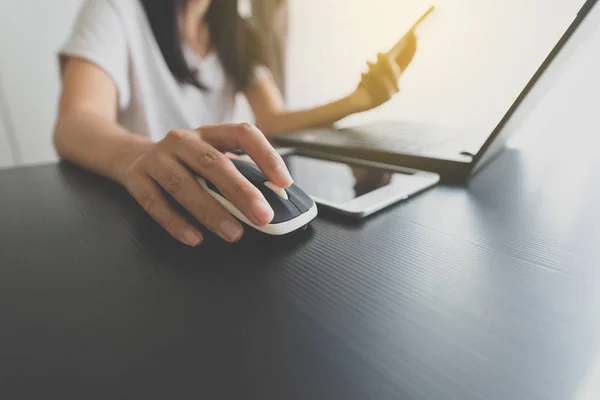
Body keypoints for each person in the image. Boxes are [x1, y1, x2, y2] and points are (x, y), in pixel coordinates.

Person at [53, 0, 417, 246]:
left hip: (222, 209)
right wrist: (140, 153)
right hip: (144, 219)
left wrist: (358, 101)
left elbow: (273, 118)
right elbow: (75, 122)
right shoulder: (117, 10)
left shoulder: (238, 32)